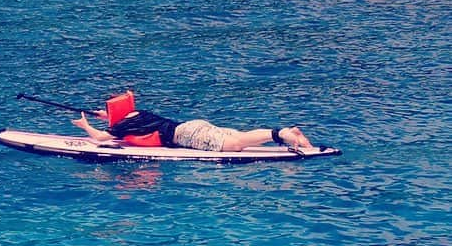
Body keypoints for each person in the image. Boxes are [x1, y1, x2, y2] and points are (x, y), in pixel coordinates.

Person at [70, 91, 312, 152]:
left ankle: (283, 134)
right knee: (240, 137)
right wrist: (105, 117)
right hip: (194, 125)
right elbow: (118, 120)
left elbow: (103, 137)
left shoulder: (122, 126)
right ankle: (288, 132)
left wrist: (86, 126)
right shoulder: (138, 115)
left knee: (237, 144)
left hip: (186, 136)